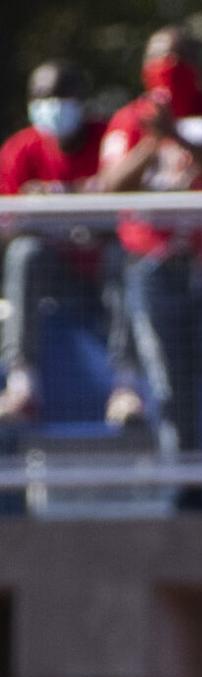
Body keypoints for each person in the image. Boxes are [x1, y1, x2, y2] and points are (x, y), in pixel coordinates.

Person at [98, 26, 202, 511]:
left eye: (178, 59)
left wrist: (177, 134)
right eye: (158, 58)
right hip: (154, 266)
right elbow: (111, 188)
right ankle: (188, 488)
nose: (168, 67)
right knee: (171, 382)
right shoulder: (130, 119)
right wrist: (153, 139)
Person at [0, 60, 120, 424]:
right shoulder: (21, 149)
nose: (51, 104)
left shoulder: (108, 138)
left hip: (102, 274)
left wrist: (65, 196)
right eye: (41, 96)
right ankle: (22, 384)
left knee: (123, 256)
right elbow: (6, 226)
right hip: (53, 279)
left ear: (80, 99)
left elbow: (127, 208)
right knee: (25, 254)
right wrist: (33, 214)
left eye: (60, 95)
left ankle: (126, 386)